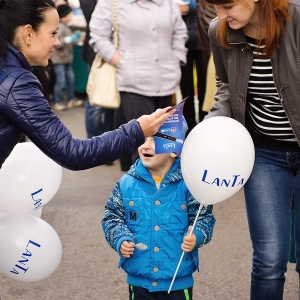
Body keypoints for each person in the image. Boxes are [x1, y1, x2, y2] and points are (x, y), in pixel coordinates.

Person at [0, 0, 175, 170]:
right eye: (53, 33)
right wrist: (137, 130)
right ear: (28, 34)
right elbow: (72, 153)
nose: (58, 41)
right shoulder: (17, 84)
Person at [203, 0, 300, 298]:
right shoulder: (219, 30)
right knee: (269, 260)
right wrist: (210, 130)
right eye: (215, 6)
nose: (221, 16)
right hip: (262, 155)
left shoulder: (296, 19)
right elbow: (225, 85)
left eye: (228, 5)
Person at [101, 119, 216, 300]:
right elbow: (111, 217)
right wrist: (120, 238)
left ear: (174, 150)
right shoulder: (126, 183)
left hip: (178, 280)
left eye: (155, 140)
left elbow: (204, 218)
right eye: (143, 139)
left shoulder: (190, 184)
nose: (146, 146)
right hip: (139, 281)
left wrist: (197, 236)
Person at [89, 0, 188, 171]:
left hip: (167, 79)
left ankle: (165, 192)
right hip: (132, 83)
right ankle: (142, 194)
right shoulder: (111, 3)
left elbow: (179, 31)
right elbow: (98, 36)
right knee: (143, 146)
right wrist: (119, 60)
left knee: (167, 144)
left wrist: (177, 57)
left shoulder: (167, 3)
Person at [79, 0, 115, 147]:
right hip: (97, 55)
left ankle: (111, 143)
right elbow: (90, 14)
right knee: (95, 102)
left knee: (112, 103)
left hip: (121, 54)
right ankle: (93, 144)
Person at [178, 0, 215, 134]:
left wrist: (194, 6)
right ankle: (188, 130)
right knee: (185, 92)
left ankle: (205, 128)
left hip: (206, 44)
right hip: (182, 46)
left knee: (206, 91)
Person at [51, 3, 84, 111]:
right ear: (65, 15)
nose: (72, 16)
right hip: (59, 59)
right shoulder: (60, 26)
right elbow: (58, 43)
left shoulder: (66, 26)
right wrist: (71, 38)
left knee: (70, 79)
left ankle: (70, 99)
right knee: (61, 81)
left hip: (66, 59)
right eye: (70, 14)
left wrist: (76, 39)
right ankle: (57, 101)